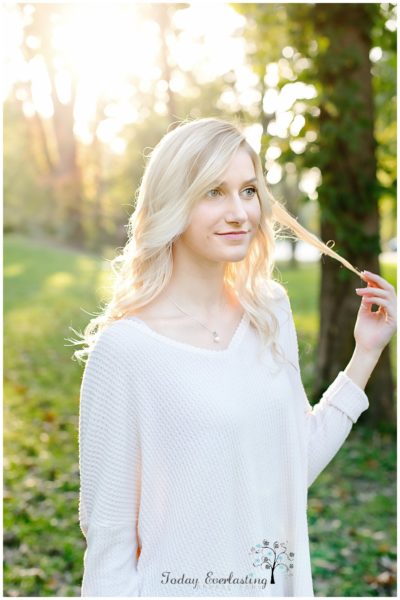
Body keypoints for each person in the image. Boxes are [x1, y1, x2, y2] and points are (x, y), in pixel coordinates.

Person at [71, 118, 397, 596]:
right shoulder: (125, 352)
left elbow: (292, 462)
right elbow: (110, 546)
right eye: (213, 192)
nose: (240, 212)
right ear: (171, 204)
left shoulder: (269, 313)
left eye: (248, 190)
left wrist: (365, 354)